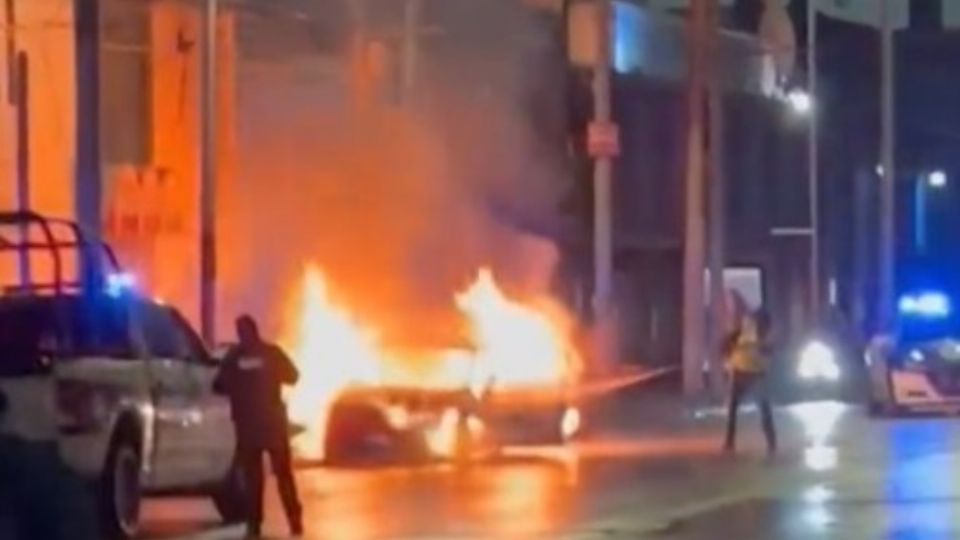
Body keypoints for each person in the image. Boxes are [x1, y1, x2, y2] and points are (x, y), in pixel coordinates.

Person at [214, 315, 303, 538]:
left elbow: (218, 385)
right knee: (284, 476)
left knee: (253, 480)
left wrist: (239, 388)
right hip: (274, 425)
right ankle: (295, 521)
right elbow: (293, 376)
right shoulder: (271, 353)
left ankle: (254, 525)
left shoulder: (233, 358)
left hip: (248, 428)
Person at [722, 308, 777, 454]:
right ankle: (730, 442)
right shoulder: (742, 333)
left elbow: (770, 350)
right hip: (744, 373)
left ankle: (771, 443)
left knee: (762, 408)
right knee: (737, 409)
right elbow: (726, 345)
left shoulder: (759, 335)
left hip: (753, 373)